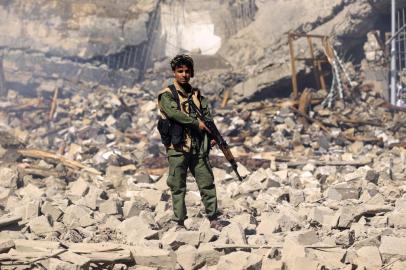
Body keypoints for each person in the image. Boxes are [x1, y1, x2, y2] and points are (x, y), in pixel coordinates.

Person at [157, 54, 222, 230]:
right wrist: (196, 123)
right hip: (177, 147)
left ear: (192, 73)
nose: (184, 74)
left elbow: (207, 117)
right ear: (174, 73)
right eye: (180, 71)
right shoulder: (167, 95)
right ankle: (179, 221)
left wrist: (213, 136)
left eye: (187, 71)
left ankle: (214, 219)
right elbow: (174, 114)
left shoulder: (197, 95)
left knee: (206, 182)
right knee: (177, 185)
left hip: (198, 147)